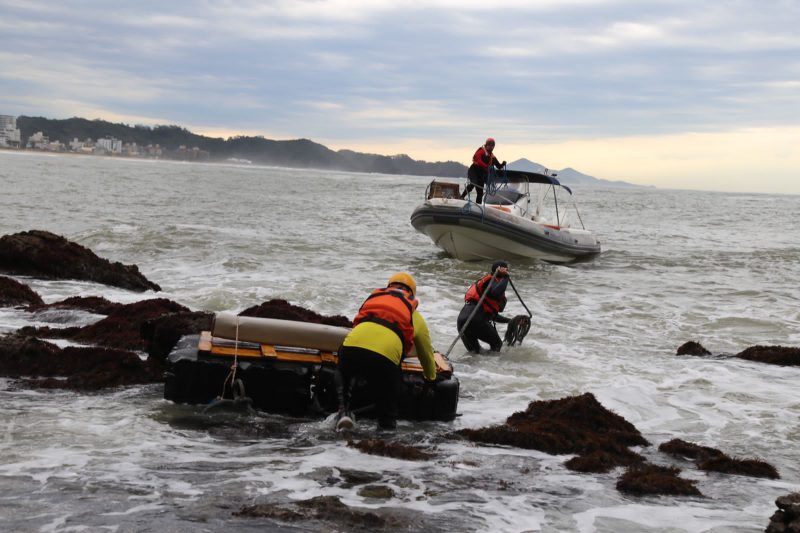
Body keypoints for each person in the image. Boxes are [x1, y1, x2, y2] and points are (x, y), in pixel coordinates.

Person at [337, 272, 437, 430]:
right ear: (411, 293)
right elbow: (426, 354)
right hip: (385, 359)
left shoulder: (375, 300)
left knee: (345, 382)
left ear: (388, 287)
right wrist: (431, 378)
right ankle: (383, 437)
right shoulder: (413, 314)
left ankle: (343, 413)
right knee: (387, 411)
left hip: (350, 349)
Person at [456, 260, 511, 353]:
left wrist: (510, 321)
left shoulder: (486, 283)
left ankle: (468, 367)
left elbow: (491, 315)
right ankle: (493, 367)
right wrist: (506, 277)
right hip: (476, 319)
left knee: (475, 353)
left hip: (462, 321)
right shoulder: (491, 281)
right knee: (497, 345)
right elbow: (495, 292)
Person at [462, 137, 506, 204]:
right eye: (489, 145)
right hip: (474, 170)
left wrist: (503, 164)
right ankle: (462, 196)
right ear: (486, 145)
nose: (491, 147)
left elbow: (498, 166)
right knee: (473, 183)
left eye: (492, 146)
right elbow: (478, 160)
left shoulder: (492, 157)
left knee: (480, 192)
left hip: (481, 174)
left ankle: (478, 205)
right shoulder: (481, 151)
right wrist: (486, 166)